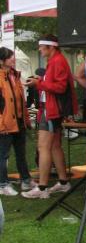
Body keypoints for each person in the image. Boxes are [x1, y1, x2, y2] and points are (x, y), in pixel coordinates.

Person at [22, 35, 78, 200]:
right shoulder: (55, 60)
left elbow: (60, 87)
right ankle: (63, 182)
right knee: (54, 147)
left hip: (52, 110)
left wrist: (38, 84)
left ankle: (42, 187)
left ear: (51, 47)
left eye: (41, 47)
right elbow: (55, 83)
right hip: (52, 109)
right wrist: (40, 80)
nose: (39, 49)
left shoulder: (57, 61)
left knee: (43, 147)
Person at [0, 47, 35, 196]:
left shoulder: (15, 75)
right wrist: (1, 123)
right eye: (10, 57)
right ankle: (3, 184)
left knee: (21, 153)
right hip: (5, 124)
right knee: (3, 155)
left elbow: (21, 100)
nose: (13, 59)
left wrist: (26, 119)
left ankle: (26, 180)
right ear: (2, 61)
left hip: (19, 122)